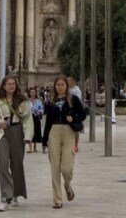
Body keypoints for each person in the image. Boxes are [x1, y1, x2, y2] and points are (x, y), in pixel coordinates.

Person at [0, 74, 33, 211]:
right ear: (3, 86)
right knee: (3, 164)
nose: (11, 86)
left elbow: (27, 119)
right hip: (3, 134)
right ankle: (5, 197)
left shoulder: (22, 100)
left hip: (17, 131)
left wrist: (28, 136)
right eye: (8, 84)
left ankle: (15, 193)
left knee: (17, 164)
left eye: (13, 84)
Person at [42, 75, 84, 210]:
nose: (60, 87)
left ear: (67, 86)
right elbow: (48, 121)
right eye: (58, 85)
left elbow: (83, 115)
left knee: (67, 168)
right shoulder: (51, 101)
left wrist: (73, 118)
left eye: (62, 85)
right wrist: (44, 139)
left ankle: (67, 185)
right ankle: (57, 199)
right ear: (55, 86)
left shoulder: (73, 99)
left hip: (68, 132)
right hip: (54, 131)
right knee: (54, 166)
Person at [28, 88, 44, 153]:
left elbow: (42, 109)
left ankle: (35, 146)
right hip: (29, 118)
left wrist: (39, 111)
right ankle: (30, 148)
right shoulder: (27, 101)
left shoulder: (39, 101)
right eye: (31, 92)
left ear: (35, 93)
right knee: (30, 132)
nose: (32, 93)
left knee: (36, 132)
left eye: (33, 92)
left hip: (36, 118)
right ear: (29, 93)